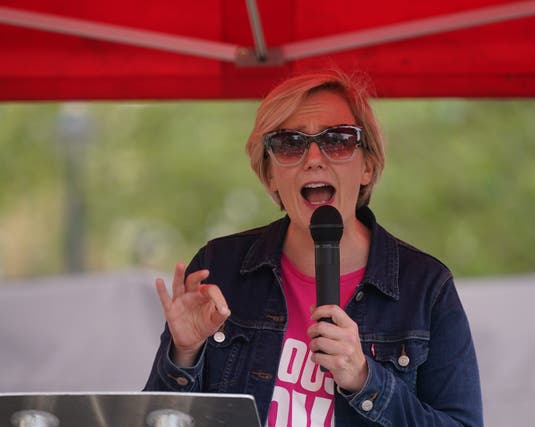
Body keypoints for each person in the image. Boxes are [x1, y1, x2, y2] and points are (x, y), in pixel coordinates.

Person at [144, 70, 483, 426]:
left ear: (367, 165)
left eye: (337, 140)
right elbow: (156, 421)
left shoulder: (425, 287)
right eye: (290, 143)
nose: (314, 158)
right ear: (270, 173)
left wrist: (366, 379)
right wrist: (183, 353)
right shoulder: (221, 269)